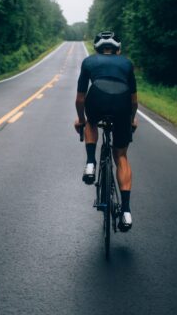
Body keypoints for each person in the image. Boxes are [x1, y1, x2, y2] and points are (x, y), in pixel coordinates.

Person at [74, 32, 138, 232]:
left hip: (97, 99)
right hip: (122, 104)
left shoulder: (88, 62)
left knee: (92, 123)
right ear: (118, 49)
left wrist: (82, 120)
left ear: (97, 48)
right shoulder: (127, 64)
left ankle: (91, 164)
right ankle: (126, 212)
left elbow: (80, 99)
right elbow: (134, 101)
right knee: (121, 155)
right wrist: (130, 121)